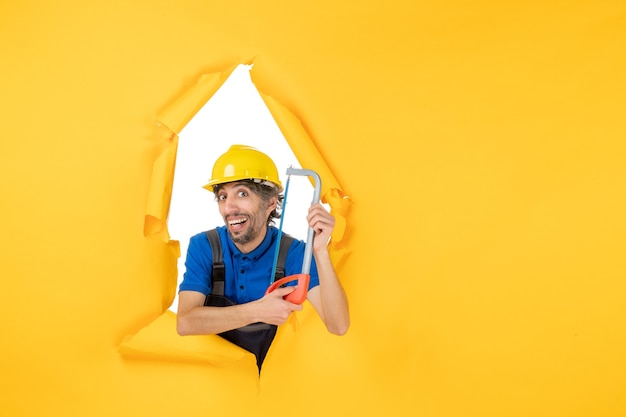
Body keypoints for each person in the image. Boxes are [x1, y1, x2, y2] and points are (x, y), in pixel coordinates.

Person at [176, 144, 350, 371]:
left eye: (242, 193)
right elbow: (185, 322)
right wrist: (258, 311)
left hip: (272, 384)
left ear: (270, 203)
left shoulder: (294, 253)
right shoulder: (205, 246)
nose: (229, 207)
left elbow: (338, 325)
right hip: (213, 381)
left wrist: (320, 251)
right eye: (222, 196)